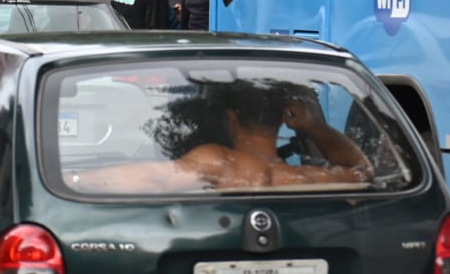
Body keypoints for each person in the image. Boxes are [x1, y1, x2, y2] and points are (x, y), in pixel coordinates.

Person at [69, 81, 373, 194]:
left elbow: (154, 179)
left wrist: (74, 180)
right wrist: (314, 128)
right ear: (284, 118)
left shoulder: (218, 161)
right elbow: (363, 171)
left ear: (230, 117)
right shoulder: (305, 179)